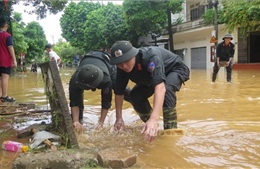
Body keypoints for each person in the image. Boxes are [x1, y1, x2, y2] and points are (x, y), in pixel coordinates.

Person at [110, 40, 190, 143]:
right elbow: (119, 92)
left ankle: (170, 131)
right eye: (120, 64)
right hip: (150, 79)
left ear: (133, 54)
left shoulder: (150, 58)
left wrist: (154, 119)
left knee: (168, 88)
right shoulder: (122, 69)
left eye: (127, 61)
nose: (124, 66)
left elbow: (160, 88)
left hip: (174, 69)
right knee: (135, 95)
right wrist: (119, 118)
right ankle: (150, 128)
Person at [69, 50, 131, 131]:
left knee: (123, 90)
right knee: (77, 116)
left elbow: (106, 102)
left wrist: (100, 123)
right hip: (88, 58)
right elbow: (74, 101)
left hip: (106, 61)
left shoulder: (105, 80)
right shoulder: (75, 80)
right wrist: (76, 121)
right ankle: (79, 121)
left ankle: (144, 112)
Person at [0, 17, 17, 102]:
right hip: (4, 60)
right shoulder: (7, 35)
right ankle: (4, 96)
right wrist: (14, 60)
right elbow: (10, 47)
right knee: (5, 77)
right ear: (6, 25)